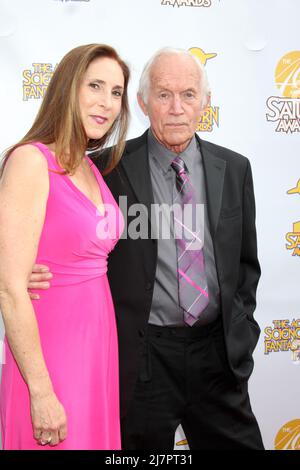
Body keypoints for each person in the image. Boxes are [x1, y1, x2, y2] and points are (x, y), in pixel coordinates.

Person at [28, 48, 264, 450]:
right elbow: (59, 226)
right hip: (141, 361)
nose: (176, 108)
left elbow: (245, 265)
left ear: (205, 103)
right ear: (142, 102)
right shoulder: (105, 167)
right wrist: (25, 269)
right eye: (163, 94)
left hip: (216, 358)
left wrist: (240, 336)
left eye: (189, 95)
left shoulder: (235, 168)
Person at [0, 43, 130, 450]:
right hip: (51, 351)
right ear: (67, 88)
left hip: (97, 348)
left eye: (116, 92)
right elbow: (10, 287)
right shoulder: (31, 161)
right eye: (94, 86)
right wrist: (40, 390)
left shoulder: (92, 166)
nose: (106, 103)